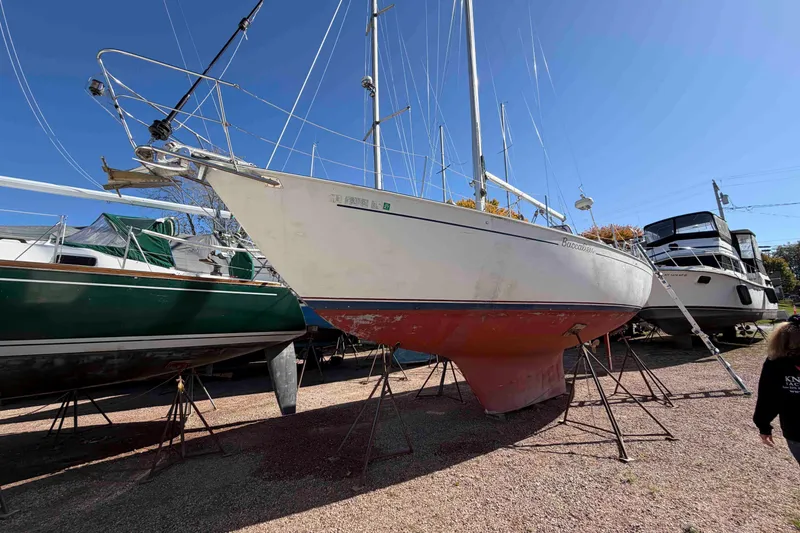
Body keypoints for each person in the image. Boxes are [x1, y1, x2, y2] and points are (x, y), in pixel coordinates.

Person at [753, 314, 800, 465]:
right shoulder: (775, 362)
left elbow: (768, 398)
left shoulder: (775, 362)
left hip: (795, 430)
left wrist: (763, 426)